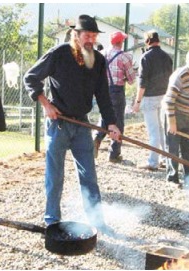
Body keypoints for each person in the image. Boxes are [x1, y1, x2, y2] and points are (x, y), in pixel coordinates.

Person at [23, 15, 121, 231]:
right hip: (59, 123)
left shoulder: (98, 60)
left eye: (94, 36)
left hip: (83, 125)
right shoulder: (58, 54)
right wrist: (46, 104)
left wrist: (111, 123)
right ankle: (52, 221)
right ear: (75, 35)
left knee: (89, 174)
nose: (91, 40)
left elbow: (103, 95)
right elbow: (30, 77)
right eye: (87, 35)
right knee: (55, 175)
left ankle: (96, 221)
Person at [163, 49, 189, 184]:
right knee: (173, 147)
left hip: (186, 115)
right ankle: (172, 177)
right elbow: (169, 100)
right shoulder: (180, 76)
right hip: (173, 113)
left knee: (187, 147)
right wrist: (172, 122)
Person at [132, 30, 173, 171]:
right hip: (165, 96)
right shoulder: (167, 57)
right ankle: (165, 159)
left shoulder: (145, 57)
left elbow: (142, 82)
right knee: (162, 130)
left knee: (153, 131)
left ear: (147, 41)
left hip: (149, 98)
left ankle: (153, 162)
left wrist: (137, 102)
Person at [93, 31, 136, 163]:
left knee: (105, 116)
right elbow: (131, 79)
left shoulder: (101, 54)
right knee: (118, 122)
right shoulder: (124, 57)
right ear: (121, 42)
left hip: (102, 89)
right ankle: (114, 154)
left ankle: (97, 137)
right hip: (117, 91)